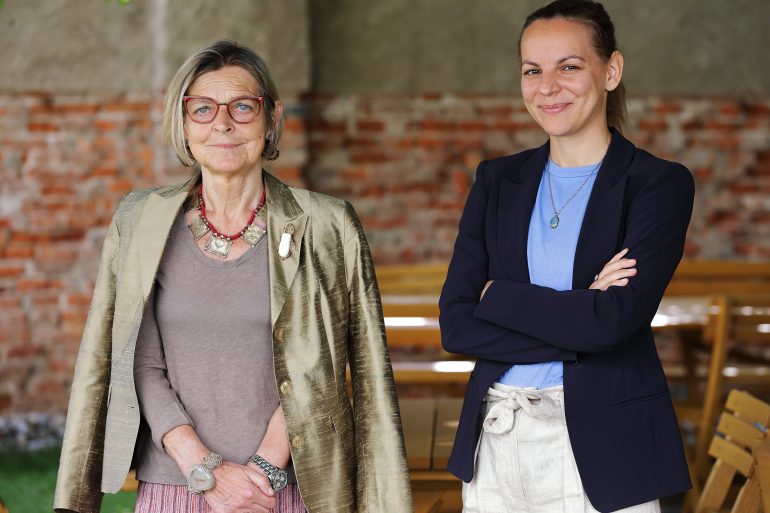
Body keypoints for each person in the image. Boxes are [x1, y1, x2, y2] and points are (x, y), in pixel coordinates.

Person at [54, 40, 411, 513]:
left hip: (288, 487)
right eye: (202, 108)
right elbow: (136, 360)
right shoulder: (140, 220)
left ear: (271, 119)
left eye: (243, 106)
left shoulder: (328, 224)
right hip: (175, 484)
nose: (222, 123)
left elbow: (332, 362)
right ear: (182, 123)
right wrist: (204, 469)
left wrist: (261, 473)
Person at [439, 1, 694, 512]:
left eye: (569, 66)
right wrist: (580, 309)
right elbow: (456, 325)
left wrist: (499, 296)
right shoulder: (496, 180)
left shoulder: (658, 185)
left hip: (605, 448)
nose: (547, 86)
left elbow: (612, 323)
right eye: (532, 71)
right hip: (496, 437)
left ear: (611, 71)